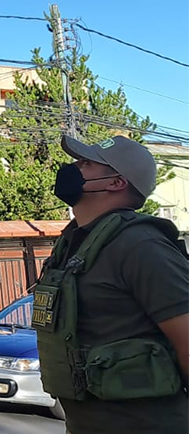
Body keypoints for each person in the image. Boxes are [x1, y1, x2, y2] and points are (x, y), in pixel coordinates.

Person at [33, 135, 188, 433]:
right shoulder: (74, 243)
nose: (72, 168)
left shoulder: (142, 246)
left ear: (115, 182)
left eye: (86, 164)